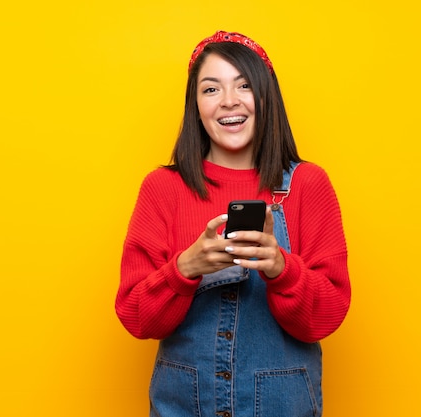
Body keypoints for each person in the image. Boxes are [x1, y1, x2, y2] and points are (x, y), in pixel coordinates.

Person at [116, 30, 351, 417]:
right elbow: (136, 318)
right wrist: (186, 268)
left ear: (265, 97)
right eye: (211, 89)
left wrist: (281, 269)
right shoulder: (163, 188)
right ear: (195, 105)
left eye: (243, 85)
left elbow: (324, 318)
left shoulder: (307, 185)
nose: (228, 101)